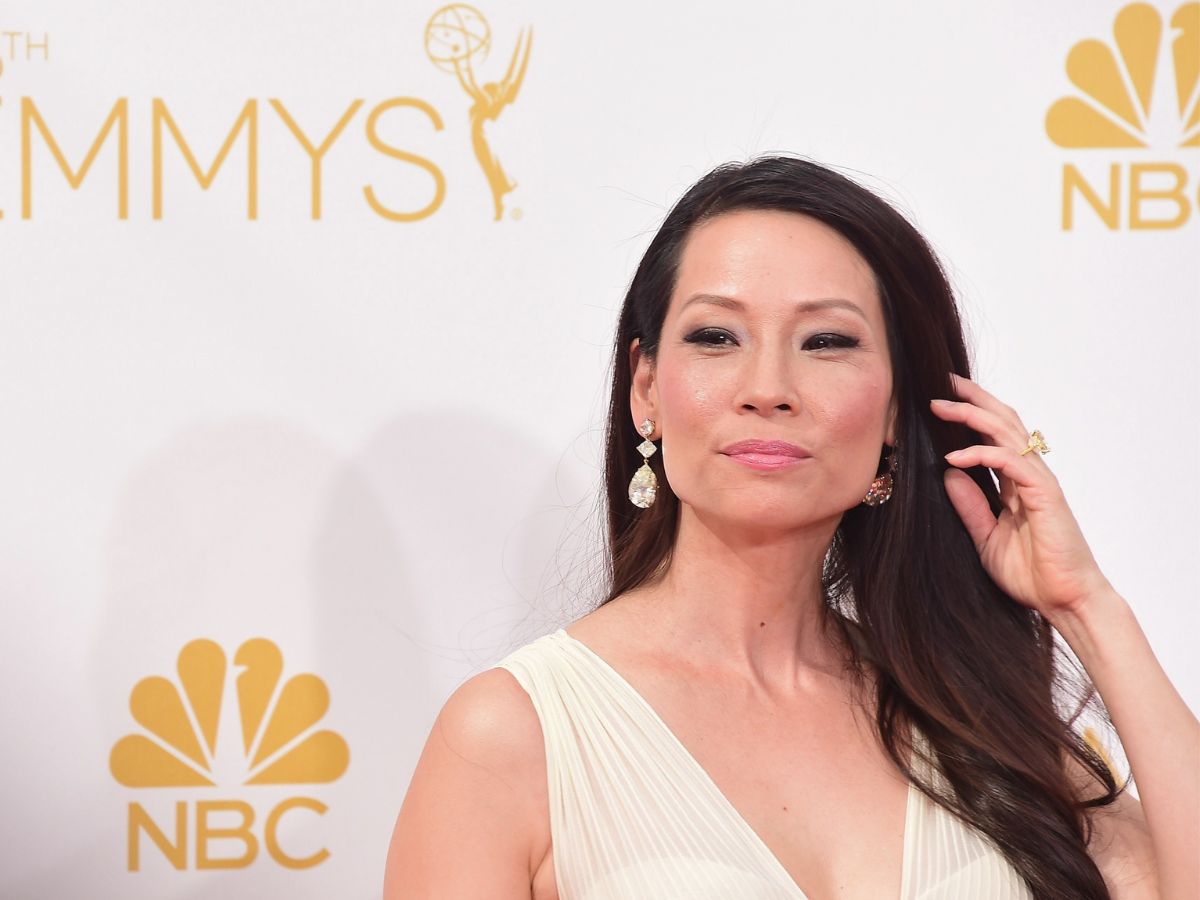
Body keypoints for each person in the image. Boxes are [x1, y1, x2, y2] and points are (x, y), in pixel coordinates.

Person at [382, 155, 1197, 898]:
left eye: (827, 341)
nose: (767, 386)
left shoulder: (969, 720)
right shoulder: (512, 735)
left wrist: (1087, 606)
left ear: (892, 413)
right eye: (715, 337)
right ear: (646, 390)